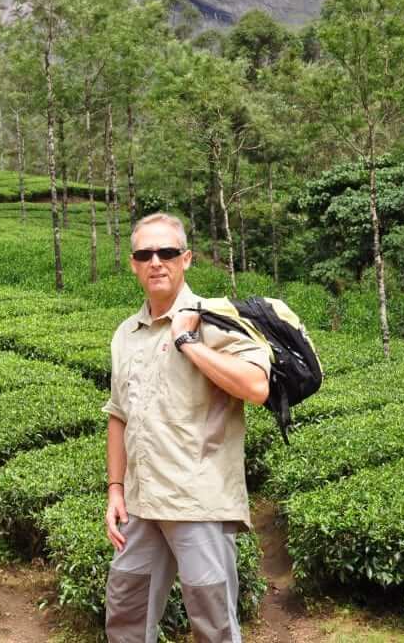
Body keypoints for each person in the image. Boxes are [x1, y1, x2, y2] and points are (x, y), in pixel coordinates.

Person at [102, 212, 271, 643]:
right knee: (125, 616)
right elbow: (119, 414)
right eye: (145, 254)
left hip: (198, 502)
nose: (156, 261)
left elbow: (256, 386)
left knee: (213, 625)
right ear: (134, 264)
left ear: (187, 258)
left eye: (167, 252)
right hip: (141, 504)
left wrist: (188, 342)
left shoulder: (214, 318)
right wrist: (116, 489)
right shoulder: (126, 334)